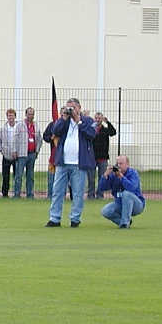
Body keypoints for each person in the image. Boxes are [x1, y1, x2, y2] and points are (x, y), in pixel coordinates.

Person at [45, 97, 96, 227]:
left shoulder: (88, 121)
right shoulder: (64, 121)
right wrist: (63, 118)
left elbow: (91, 134)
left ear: (79, 107)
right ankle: (54, 218)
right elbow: (55, 131)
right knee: (57, 191)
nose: (70, 110)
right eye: (68, 107)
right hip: (62, 162)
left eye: (72, 107)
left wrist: (78, 120)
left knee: (78, 193)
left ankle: (75, 218)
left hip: (79, 163)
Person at [98, 155, 145, 228]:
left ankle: (125, 223)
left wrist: (121, 177)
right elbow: (102, 188)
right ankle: (123, 221)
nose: (118, 165)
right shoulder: (113, 175)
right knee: (105, 211)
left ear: (127, 164)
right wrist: (105, 175)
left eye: (121, 163)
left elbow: (131, 188)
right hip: (120, 203)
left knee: (126, 194)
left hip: (136, 205)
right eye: (117, 163)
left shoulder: (133, 173)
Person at [0, 108, 26, 198]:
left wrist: (18, 151)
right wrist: (1, 150)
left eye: (12, 115)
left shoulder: (19, 127)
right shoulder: (3, 128)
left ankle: (16, 192)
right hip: (6, 155)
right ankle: (5, 193)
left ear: (15, 116)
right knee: (5, 175)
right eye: (9, 115)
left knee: (17, 175)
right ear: (7, 117)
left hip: (16, 155)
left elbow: (22, 140)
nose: (10, 117)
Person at [89, 112, 117, 199]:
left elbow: (113, 132)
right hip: (92, 157)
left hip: (103, 157)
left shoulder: (105, 130)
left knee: (102, 177)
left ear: (102, 120)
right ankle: (90, 195)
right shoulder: (91, 129)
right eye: (96, 118)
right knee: (91, 178)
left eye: (99, 118)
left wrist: (108, 122)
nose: (98, 120)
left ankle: (100, 195)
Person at [20, 107, 41, 199]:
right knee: (19, 175)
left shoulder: (36, 126)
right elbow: (16, 139)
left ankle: (30, 194)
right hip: (22, 154)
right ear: (26, 114)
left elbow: (40, 139)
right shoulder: (20, 125)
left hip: (32, 153)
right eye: (29, 114)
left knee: (30, 176)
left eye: (32, 114)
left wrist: (37, 151)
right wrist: (15, 150)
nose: (31, 116)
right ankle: (17, 194)